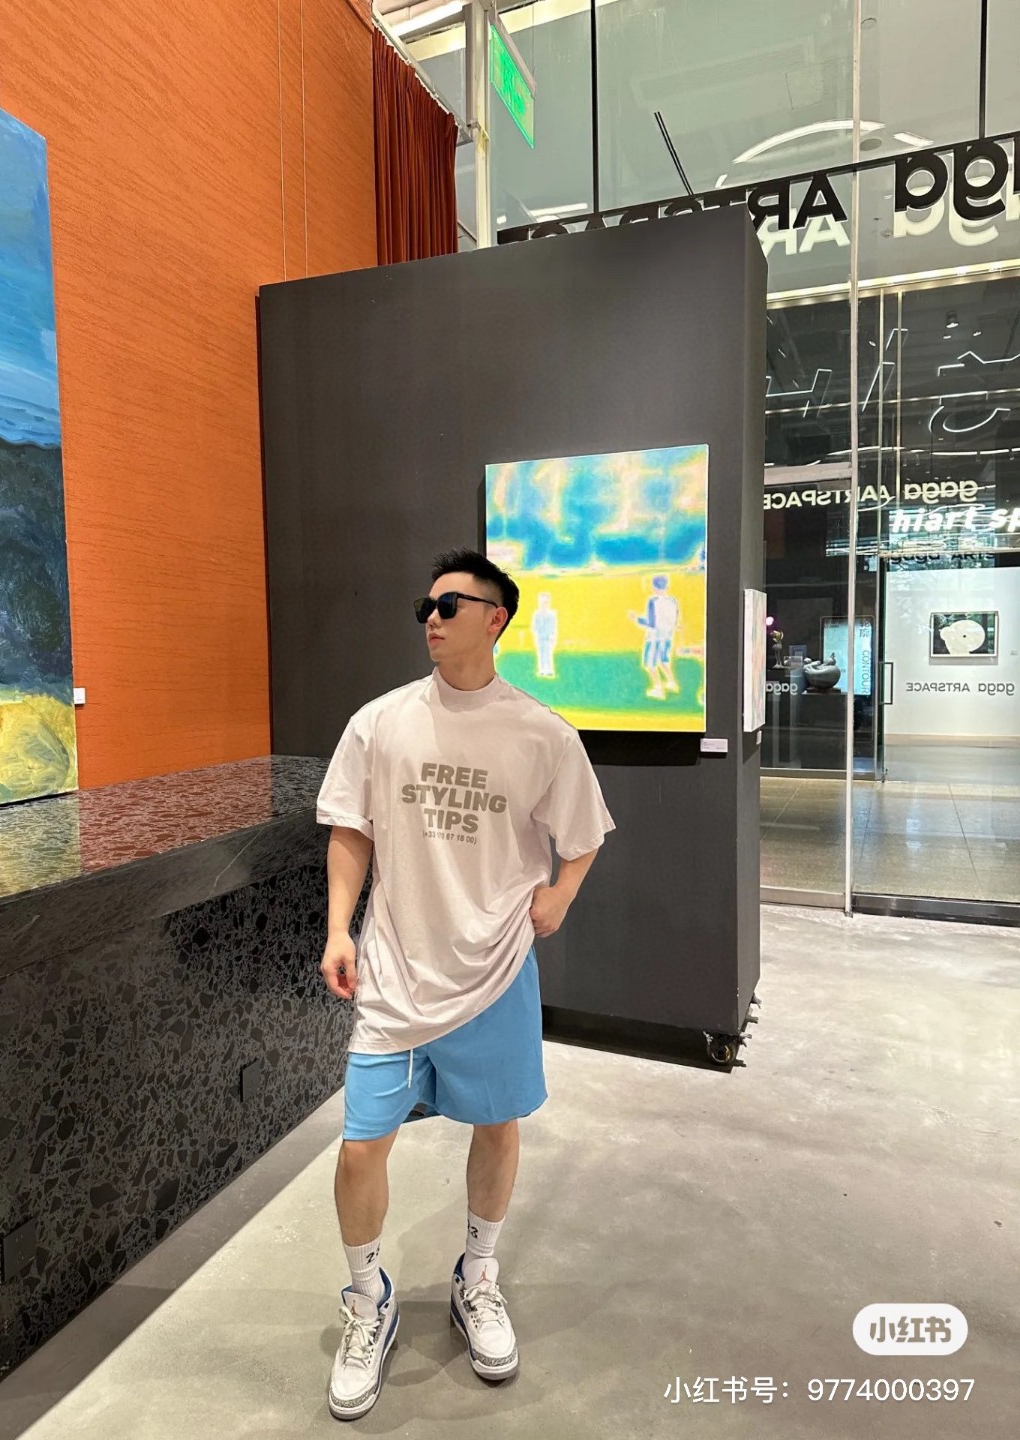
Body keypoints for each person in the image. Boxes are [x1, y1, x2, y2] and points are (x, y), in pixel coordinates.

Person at [316, 547, 614, 1421]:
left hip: (494, 972)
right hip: (395, 973)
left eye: (450, 605)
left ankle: (477, 1276)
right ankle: (368, 1299)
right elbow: (350, 829)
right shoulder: (380, 723)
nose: (433, 619)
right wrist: (337, 926)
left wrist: (559, 896)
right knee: (361, 1145)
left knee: (496, 1125)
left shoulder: (542, 734)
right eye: (426, 606)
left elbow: (585, 834)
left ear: (496, 618)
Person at [630, 574, 679, 699]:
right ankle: (671, 682)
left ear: (654, 587)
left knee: (649, 664)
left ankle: (658, 689)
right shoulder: (672, 600)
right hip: (668, 635)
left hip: (654, 637)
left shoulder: (653, 601)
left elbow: (651, 623)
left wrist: (636, 619)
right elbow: (675, 619)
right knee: (663, 661)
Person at [529, 591, 558, 677]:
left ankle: (549, 669)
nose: (543, 604)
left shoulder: (551, 614)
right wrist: (536, 633)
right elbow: (534, 625)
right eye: (542, 602)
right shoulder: (537, 614)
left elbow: (553, 627)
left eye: (545, 602)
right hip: (540, 637)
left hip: (548, 637)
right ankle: (542, 669)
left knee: (548, 653)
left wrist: (553, 636)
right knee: (541, 653)